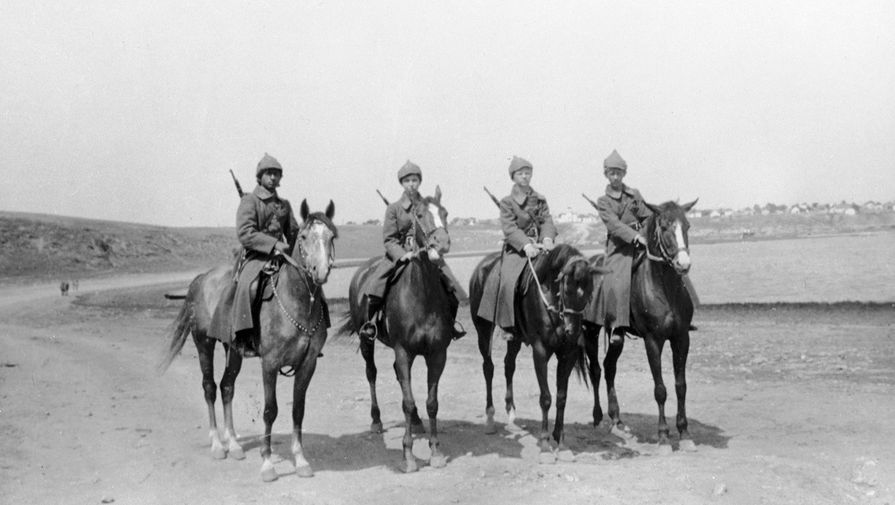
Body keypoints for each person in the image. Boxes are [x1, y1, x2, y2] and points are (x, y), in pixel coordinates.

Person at [592, 149, 697, 344]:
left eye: (619, 173)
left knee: (673, 267)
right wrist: (634, 236)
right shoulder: (603, 202)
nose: (615, 177)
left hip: (641, 241)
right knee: (618, 278)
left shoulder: (634, 194)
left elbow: (647, 215)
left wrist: (647, 231)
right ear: (606, 175)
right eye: (611, 173)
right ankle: (618, 325)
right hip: (620, 247)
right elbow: (614, 225)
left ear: (624, 174)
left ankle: (683, 316)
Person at [358, 160, 466, 341]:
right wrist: (402, 255)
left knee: (451, 285)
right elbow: (389, 239)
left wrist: (433, 248)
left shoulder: (427, 206)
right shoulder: (394, 209)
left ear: (419, 182)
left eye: (415, 180)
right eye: (407, 181)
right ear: (401, 183)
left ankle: (451, 324)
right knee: (377, 283)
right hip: (399, 254)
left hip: (426, 252)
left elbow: (435, 228)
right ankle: (371, 323)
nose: (411, 184)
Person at [210, 153, 300, 356]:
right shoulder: (250, 201)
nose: (274, 178)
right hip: (256, 256)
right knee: (248, 287)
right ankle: (243, 337)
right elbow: (245, 233)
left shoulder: (284, 204)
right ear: (260, 176)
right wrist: (274, 244)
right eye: (269, 174)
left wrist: (294, 251)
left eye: (277, 174)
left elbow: (293, 232)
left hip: (282, 257)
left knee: (306, 282)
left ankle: (311, 334)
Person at [476, 156, 557, 332]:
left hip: (542, 246)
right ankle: (508, 327)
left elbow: (547, 221)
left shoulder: (540, 200)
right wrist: (526, 245)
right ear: (513, 177)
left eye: (528, 173)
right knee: (507, 281)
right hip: (518, 250)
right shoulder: (507, 202)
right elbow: (509, 228)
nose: (525, 176)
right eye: (520, 174)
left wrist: (548, 238)